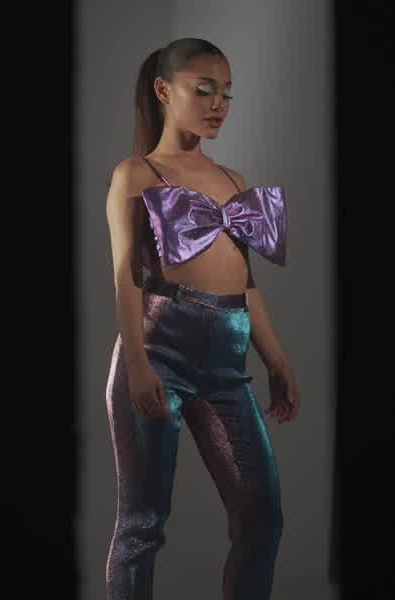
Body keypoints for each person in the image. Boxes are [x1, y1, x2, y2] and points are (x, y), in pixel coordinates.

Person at [105, 37, 299, 600]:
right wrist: (138, 364)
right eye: (204, 90)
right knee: (142, 524)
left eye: (227, 94)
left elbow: (246, 284)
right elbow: (125, 278)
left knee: (262, 514)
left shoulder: (233, 181)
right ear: (164, 91)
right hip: (159, 350)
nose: (219, 104)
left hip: (226, 364)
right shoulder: (137, 172)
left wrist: (277, 361)